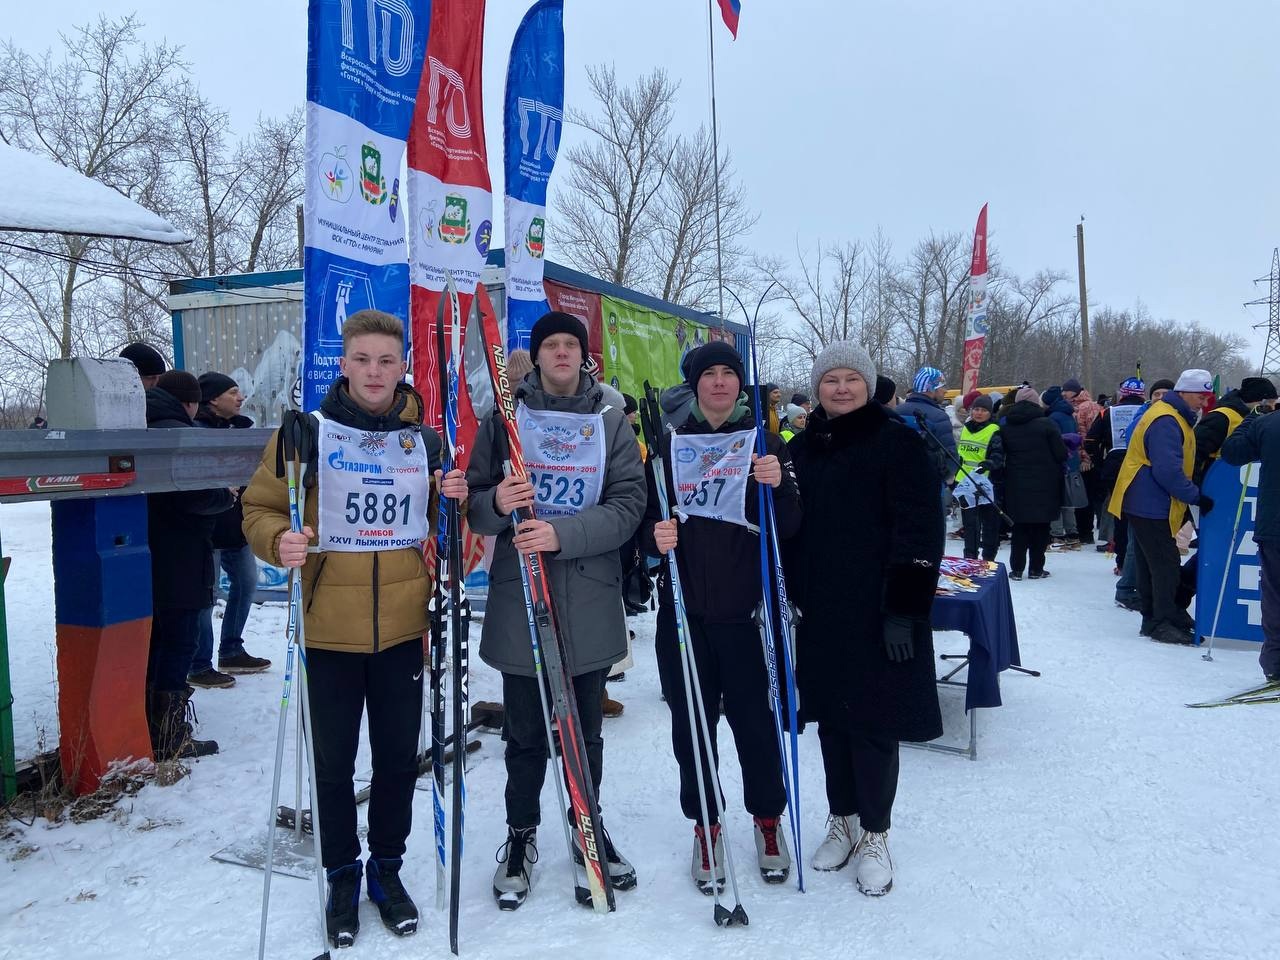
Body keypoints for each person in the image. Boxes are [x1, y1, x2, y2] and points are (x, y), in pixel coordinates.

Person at [242, 309, 468, 948]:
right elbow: (258, 507)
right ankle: (341, 874)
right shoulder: (305, 434)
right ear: (343, 364)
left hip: (402, 629)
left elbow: (449, 526)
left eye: (386, 361)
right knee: (333, 764)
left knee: (397, 761)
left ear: (402, 368)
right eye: (362, 359)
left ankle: (386, 870)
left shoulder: (424, 443)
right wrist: (279, 540)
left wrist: (452, 498)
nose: (374, 372)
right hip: (327, 631)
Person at [464, 311, 646, 910]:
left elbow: (629, 503)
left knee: (585, 733)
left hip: (587, 595)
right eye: (551, 345)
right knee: (524, 736)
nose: (561, 353)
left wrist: (562, 533)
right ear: (537, 356)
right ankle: (521, 835)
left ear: (583, 355)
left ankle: (586, 826)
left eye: (571, 344)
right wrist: (497, 500)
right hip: (522, 597)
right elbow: (476, 506)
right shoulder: (505, 419)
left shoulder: (609, 418)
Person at [784, 340, 942, 897]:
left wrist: (904, 608)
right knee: (831, 720)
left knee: (874, 723)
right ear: (818, 388)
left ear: (869, 386)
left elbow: (920, 530)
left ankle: (875, 833)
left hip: (879, 611)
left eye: (852, 378)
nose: (841, 388)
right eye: (831, 380)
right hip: (821, 611)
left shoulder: (897, 442)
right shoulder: (801, 449)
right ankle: (843, 819)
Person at [641, 341, 799, 891]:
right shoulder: (669, 444)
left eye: (728, 373)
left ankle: (767, 819)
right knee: (692, 726)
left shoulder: (765, 442)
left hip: (746, 613)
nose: (718, 382)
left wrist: (778, 486)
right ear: (695, 384)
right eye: (708, 374)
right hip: (685, 614)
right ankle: (706, 824)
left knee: (756, 725)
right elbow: (644, 519)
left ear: (739, 383)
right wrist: (655, 538)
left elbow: (792, 524)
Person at [143, 370, 234, 761]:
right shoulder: (179, 434)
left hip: (150, 555)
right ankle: (169, 735)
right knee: (179, 642)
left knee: (156, 643)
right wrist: (226, 495)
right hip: (180, 556)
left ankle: (149, 728)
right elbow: (192, 495)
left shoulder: (141, 425)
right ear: (191, 402)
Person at [1108, 369, 1214, 645]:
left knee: (1150, 564)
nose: (1203, 403)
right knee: (1165, 565)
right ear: (1184, 392)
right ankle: (1161, 621)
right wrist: (1196, 496)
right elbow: (1167, 470)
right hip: (1150, 502)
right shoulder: (1166, 419)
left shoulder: (1170, 414)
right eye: (1200, 396)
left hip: (1147, 500)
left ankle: (1157, 617)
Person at [189, 372, 270, 688]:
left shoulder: (240, 430)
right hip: (206, 529)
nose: (241, 398)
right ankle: (199, 664)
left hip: (237, 526)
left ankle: (232, 650)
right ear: (212, 398)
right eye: (233, 392)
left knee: (246, 583)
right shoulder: (195, 433)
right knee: (205, 597)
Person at [1221, 399, 1280, 682]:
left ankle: (1276, 663)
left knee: (1276, 595)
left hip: (1275, 525)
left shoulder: (1268, 424)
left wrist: (1252, 418)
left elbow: (1232, 452)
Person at [1085, 377, 1147, 601]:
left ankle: (1122, 563)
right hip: (1142, 464)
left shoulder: (1107, 412)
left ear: (1121, 394)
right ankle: (1138, 564)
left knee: (1121, 513)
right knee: (1141, 513)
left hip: (1115, 463)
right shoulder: (1150, 411)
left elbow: (1090, 440)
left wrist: (1100, 462)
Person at [999, 386, 1068, 580]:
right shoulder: (1047, 424)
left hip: (1016, 482)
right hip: (1045, 483)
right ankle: (1036, 568)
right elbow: (1061, 454)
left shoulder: (1006, 426)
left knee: (1019, 528)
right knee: (1041, 527)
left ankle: (1017, 569)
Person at [897, 367, 958, 505]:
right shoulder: (938, 417)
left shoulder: (896, 412)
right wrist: (946, 478)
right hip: (930, 490)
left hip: (897, 488)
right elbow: (950, 457)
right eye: (942, 386)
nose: (945, 390)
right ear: (930, 388)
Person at [955, 395, 1004, 562]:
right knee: (970, 525)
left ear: (990, 413)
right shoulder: (965, 428)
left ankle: (988, 559)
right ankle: (970, 558)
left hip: (986, 484)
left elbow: (998, 456)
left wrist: (988, 464)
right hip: (965, 483)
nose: (979, 413)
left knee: (989, 524)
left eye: (983, 410)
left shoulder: (994, 430)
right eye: (976, 409)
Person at [1062, 377, 1103, 544]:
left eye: (1066, 391)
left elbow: (1091, 435)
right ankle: (1082, 531)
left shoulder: (1088, 407)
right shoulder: (1075, 407)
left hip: (1086, 461)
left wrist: (1087, 458)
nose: (1064, 394)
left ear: (1075, 391)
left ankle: (1085, 532)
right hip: (1079, 458)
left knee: (1085, 497)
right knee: (1082, 497)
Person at [1042, 386, 1084, 550]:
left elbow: (1054, 442)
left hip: (1059, 463)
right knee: (1069, 501)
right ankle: (1073, 535)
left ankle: (1057, 536)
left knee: (1057, 500)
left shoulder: (1053, 417)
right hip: (1072, 461)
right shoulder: (1069, 414)